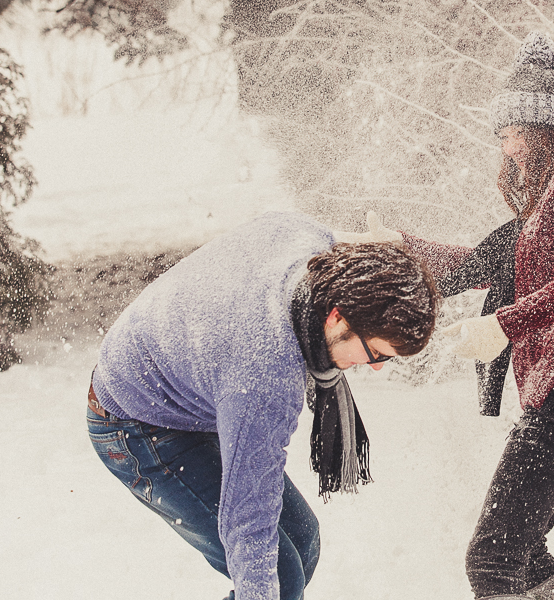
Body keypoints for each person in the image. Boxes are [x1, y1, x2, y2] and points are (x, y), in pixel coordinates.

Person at [400, 32, 554, 600]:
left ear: (541, 130)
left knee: (491, 561)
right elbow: (479, 264)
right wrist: (398, 247)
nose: (504, 146)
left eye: (510, 133)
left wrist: (504, 324)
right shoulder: (548, 203)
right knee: (522, 555)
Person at [85, 210, 438, 600]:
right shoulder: (265, 374)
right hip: (134, 422)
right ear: (338, 316)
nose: (373, 368)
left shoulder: (308, 245)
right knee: (278, 576)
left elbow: (284, 229)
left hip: (188, 387)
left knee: (303, 544)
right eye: (375, 353)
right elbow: (247, 518)